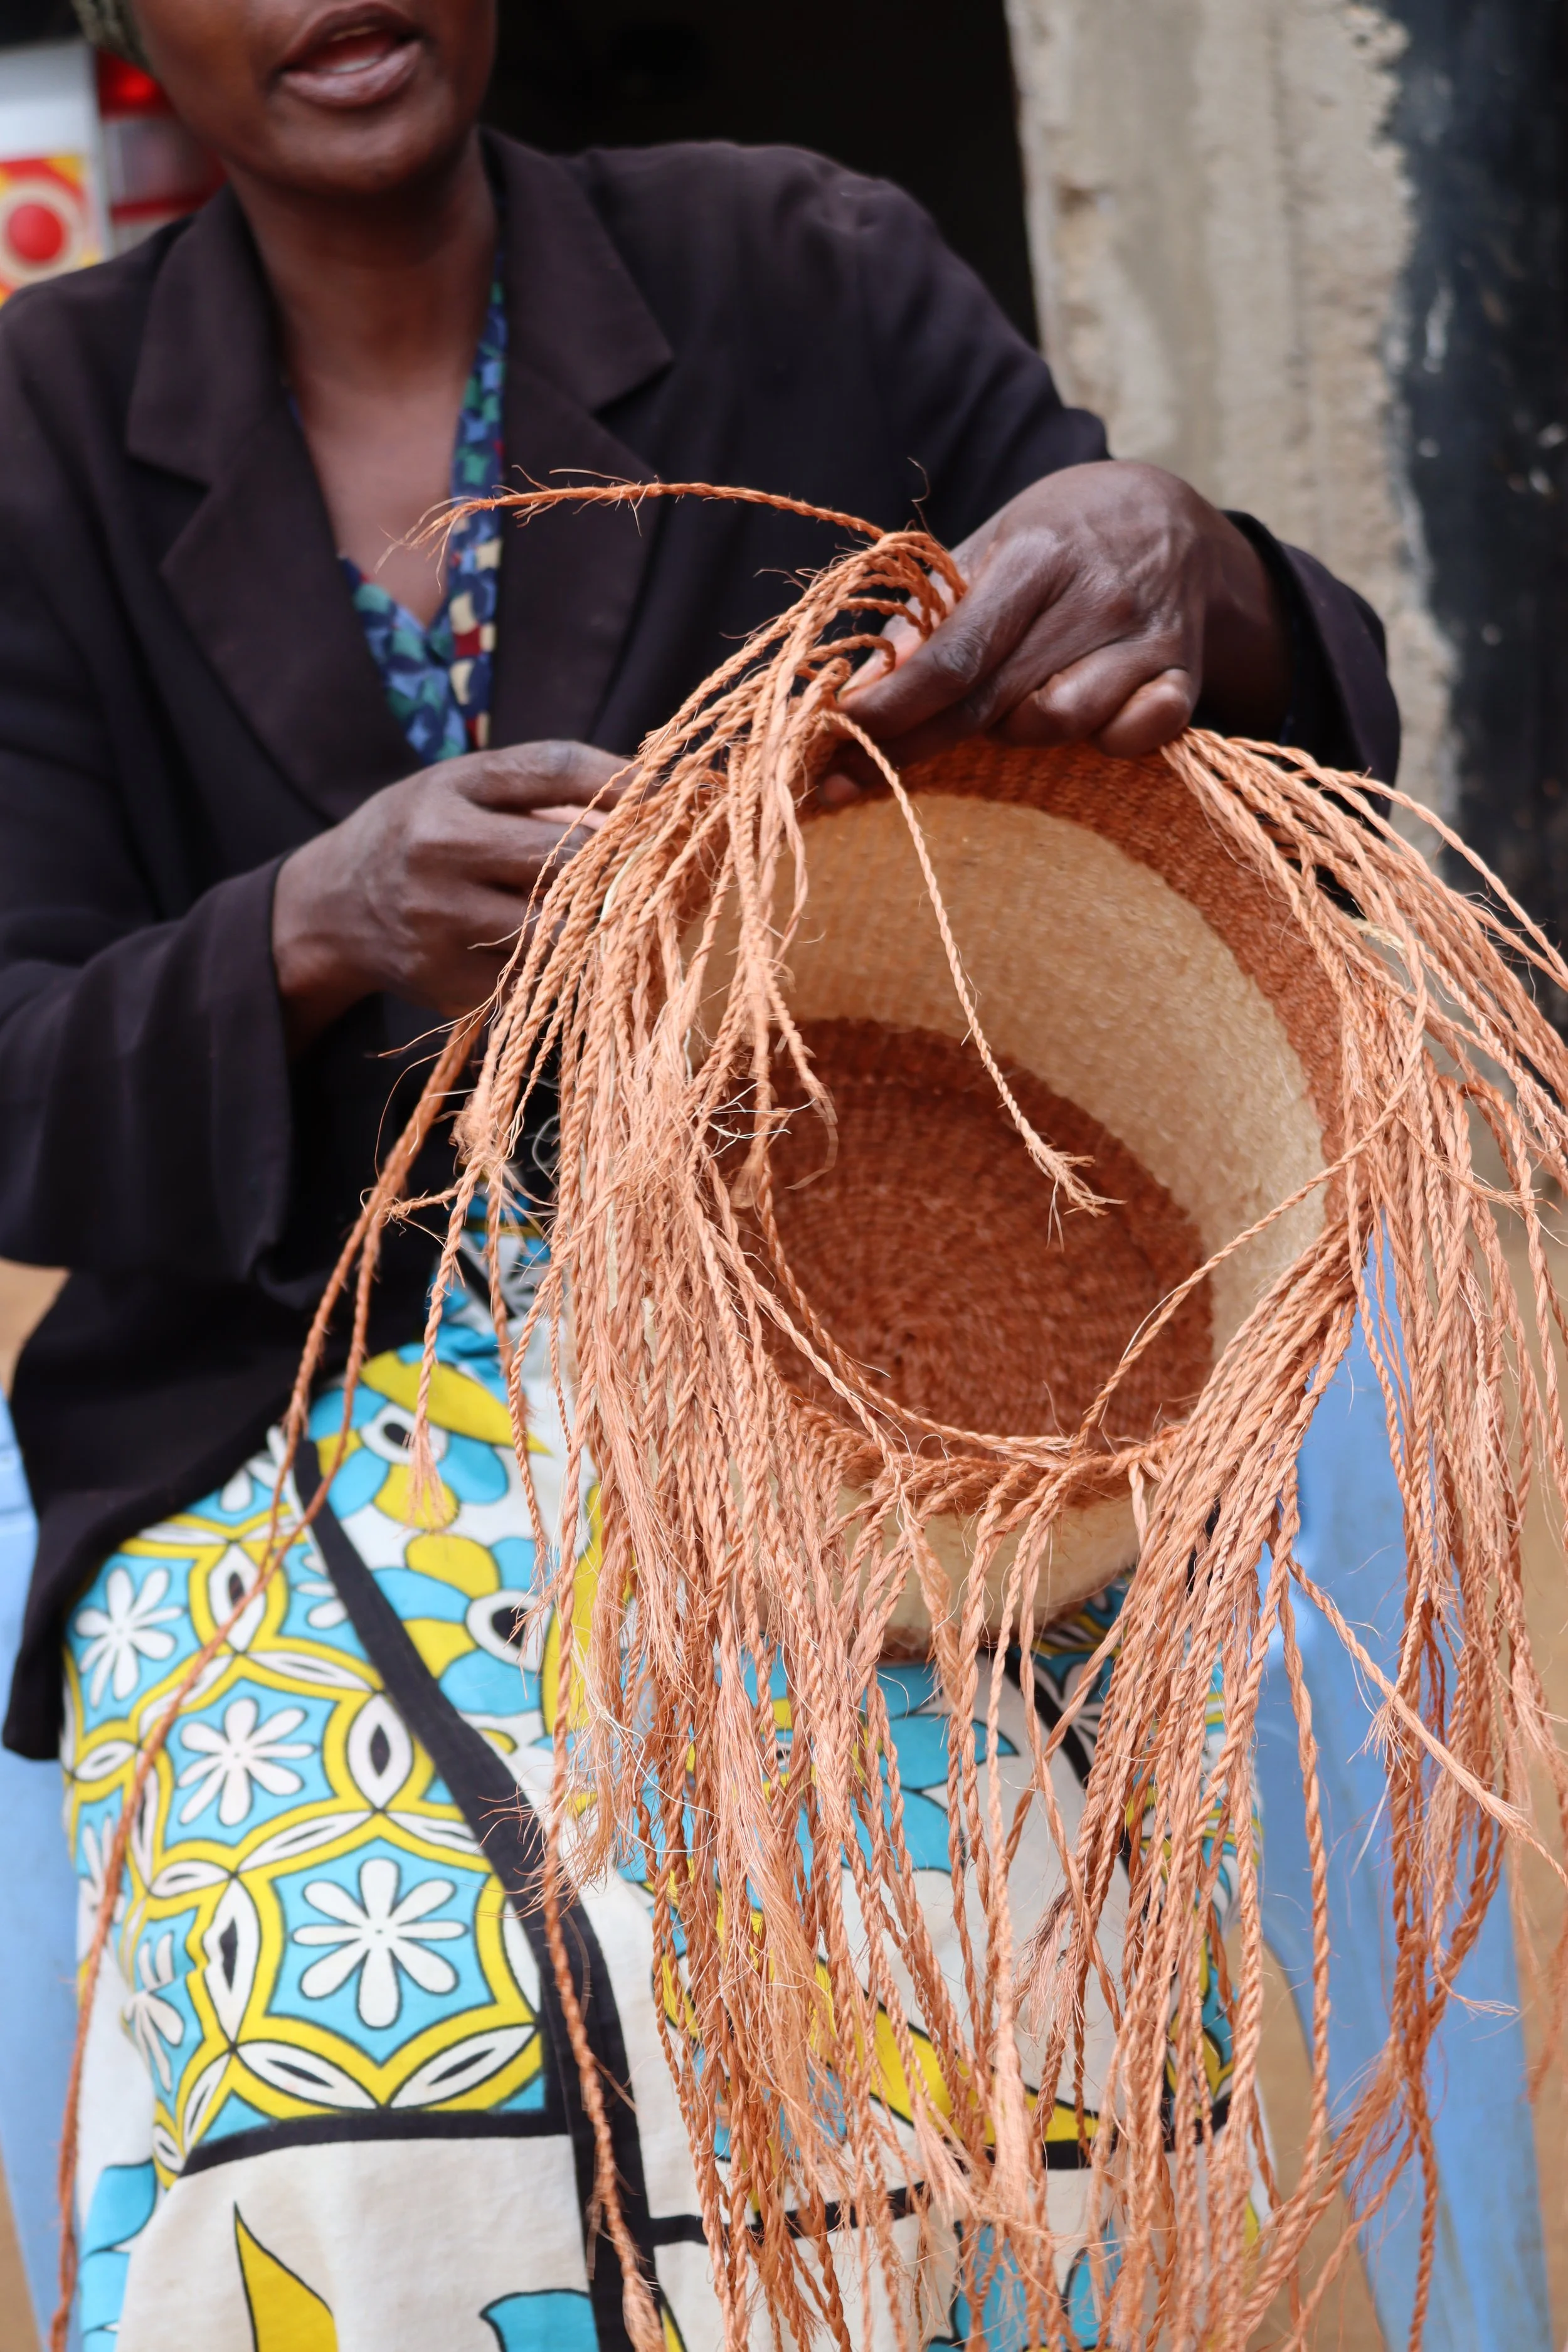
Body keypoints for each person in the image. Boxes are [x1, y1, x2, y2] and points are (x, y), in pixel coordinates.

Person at [0, 3, 1397, 2344]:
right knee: (381, 2021)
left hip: (869, 1384)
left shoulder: (799, 271)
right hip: (289, 1408)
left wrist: (1202, 572)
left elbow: (1241, 758)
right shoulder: (38, 431)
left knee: (982, 1958)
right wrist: (311, 926)